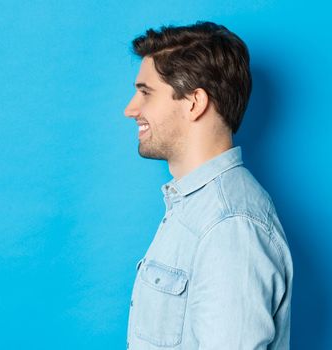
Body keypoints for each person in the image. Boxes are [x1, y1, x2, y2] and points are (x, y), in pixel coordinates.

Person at [123, 21, 293, 350]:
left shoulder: (230, 225)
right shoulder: (193, 207)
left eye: (145, 92)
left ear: (194, 102)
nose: (130, 109)